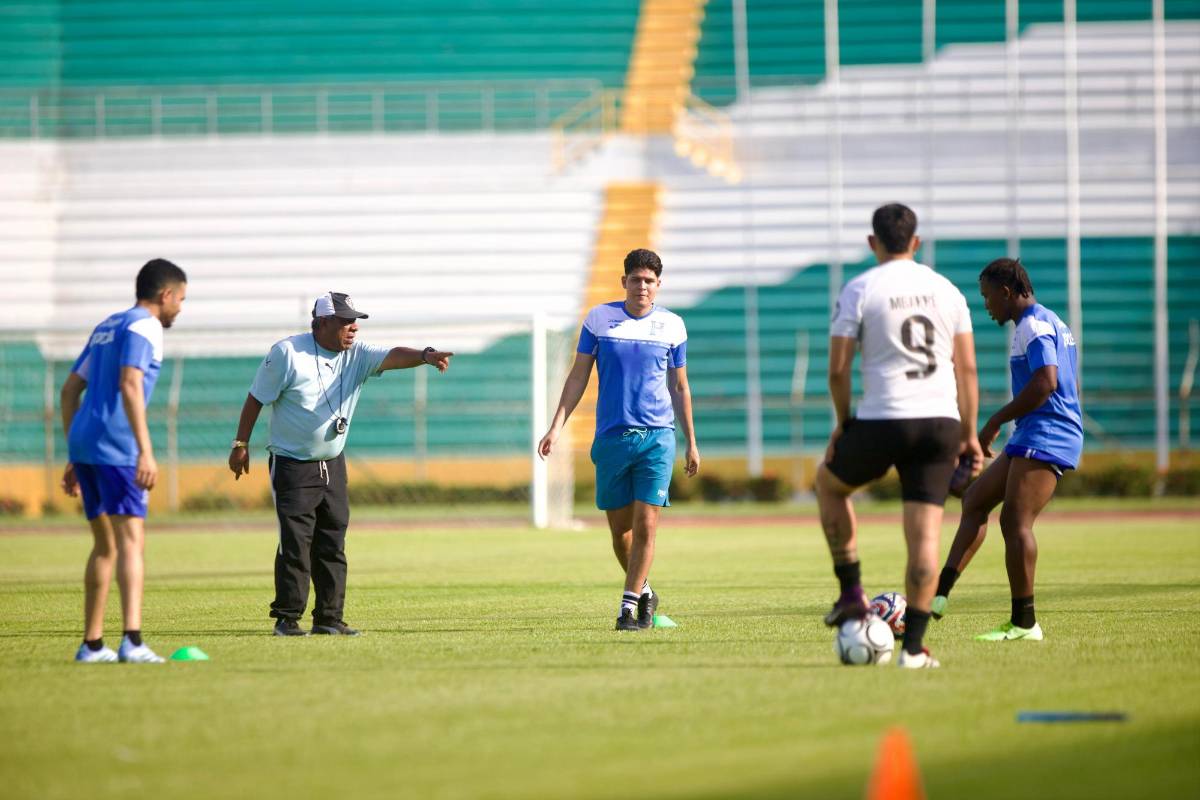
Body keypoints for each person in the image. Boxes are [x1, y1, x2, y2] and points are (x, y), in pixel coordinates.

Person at [229, 292, 453, 636]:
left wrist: (425, 355)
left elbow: (392, 355)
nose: (353, 328)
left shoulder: (357, 356)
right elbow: (256, 398)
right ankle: (288, 619)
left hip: (332, 461)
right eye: (345, 321)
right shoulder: (288, 353)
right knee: (296, 541)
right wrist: (241, 443)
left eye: (355, 322)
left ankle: (328, 619)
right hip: (292, 463)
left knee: (333, 540)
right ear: (320, 324)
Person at [817, 204, 982, 669]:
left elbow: (837, 369)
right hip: (940, 422)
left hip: (883, 417)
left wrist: (844, 422)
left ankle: (851, 594)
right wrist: (969, 434)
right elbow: (967, 368)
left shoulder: (860, 288)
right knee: (925, 537)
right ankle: (914, 650)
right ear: (917, 242)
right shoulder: (947, 291)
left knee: (829, 486)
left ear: (873, 243)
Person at [538, 249, 700, 631]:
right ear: (623, 281)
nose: (642, 286)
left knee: (647, 525)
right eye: (635, 279)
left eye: (649, 280)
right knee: (620, 533)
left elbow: (680, 386)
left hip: (657, 437)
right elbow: (578, 376)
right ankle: (644, 590)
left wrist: (691, 440)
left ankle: (627, 608)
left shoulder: (672, 326)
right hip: (611, 438)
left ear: (658, 285)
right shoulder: (599, 319)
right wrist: (556, 425)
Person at [932, 258, 1083, 642]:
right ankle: (938, 595)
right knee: (975, 501)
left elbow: (1047, 382)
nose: (986, 305)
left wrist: (994, 421)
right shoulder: (1050, 321)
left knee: (1015, 524)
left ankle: (1024, 623)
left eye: (987, 296)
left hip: (1047, 432)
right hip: (1033, 431)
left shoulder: (1033, 324)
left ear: (1006, 291)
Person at [61, 258, 188, 663]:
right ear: (165, 295)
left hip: (86, 442)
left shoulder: (106, 326)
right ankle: (132, 642)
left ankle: (92, 645)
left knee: (104, 545)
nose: (181, 308)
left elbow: (69, 390)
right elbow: (130, 382)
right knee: (131, 541)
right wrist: (145, 451)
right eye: (181, 299)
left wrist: (73, 450)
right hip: (118, 447)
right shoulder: (145, 325)